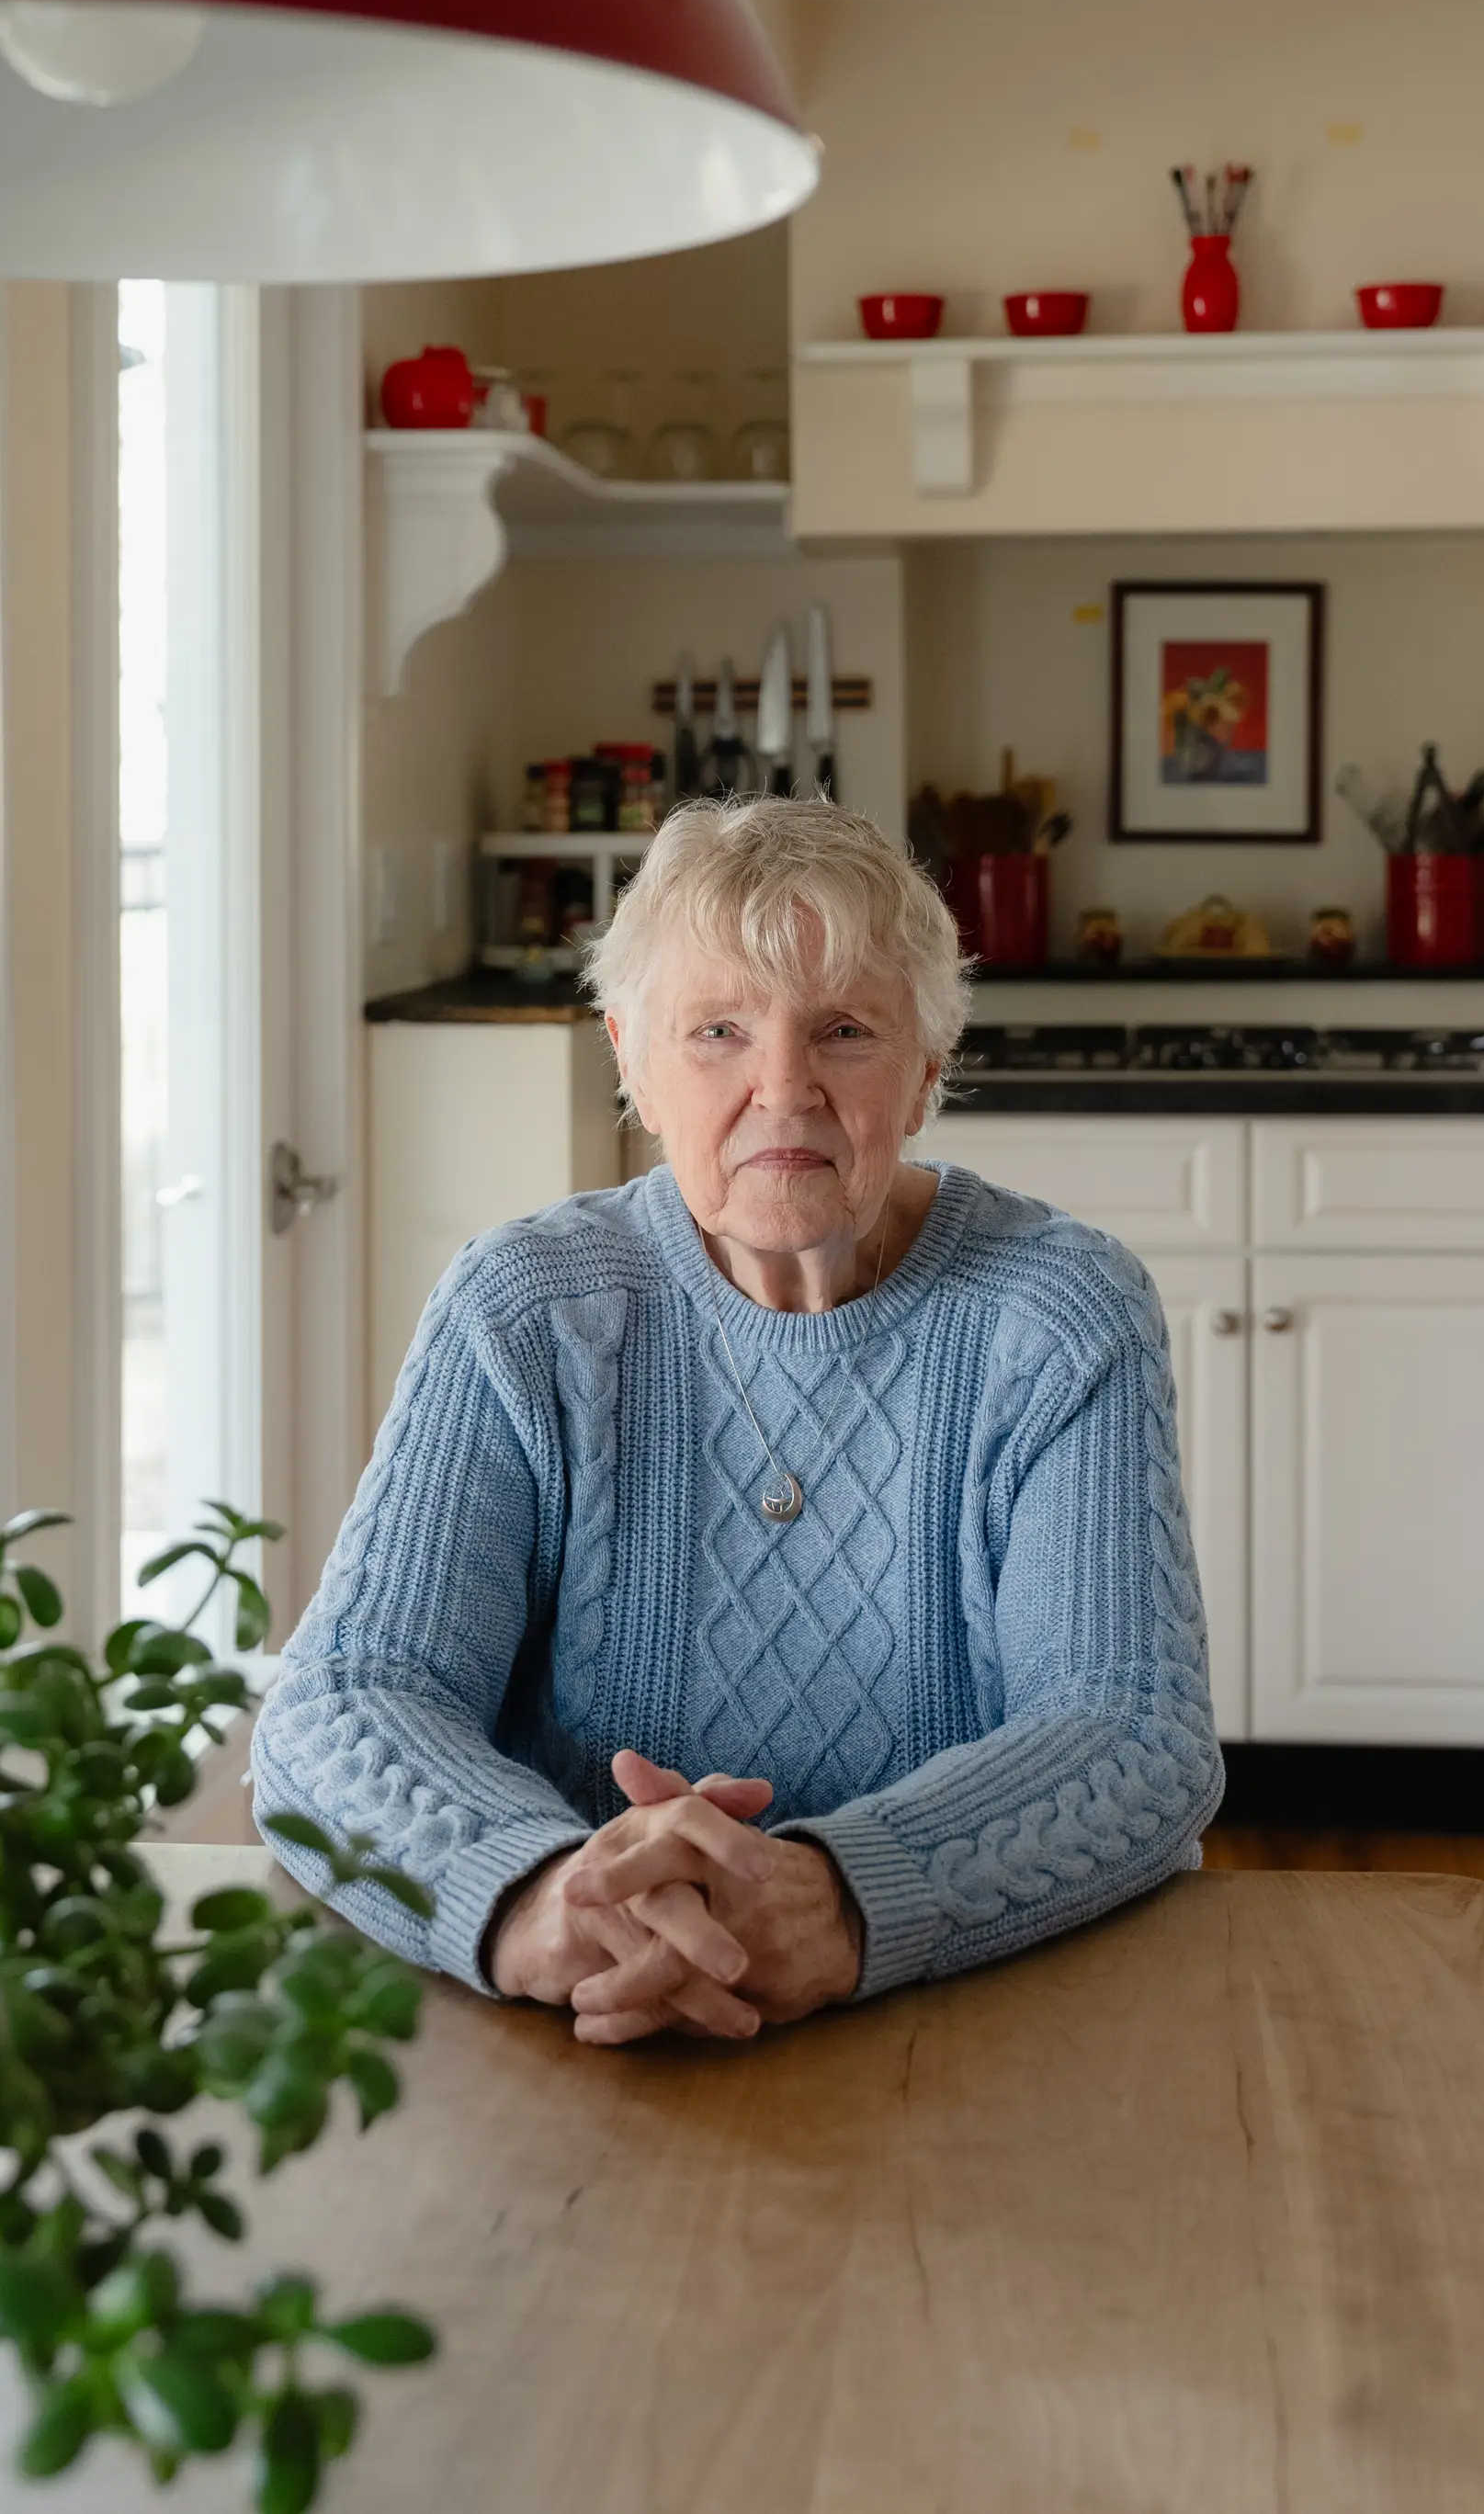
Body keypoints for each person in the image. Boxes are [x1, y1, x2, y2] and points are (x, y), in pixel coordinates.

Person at [253, 798, 1221, 2046]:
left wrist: (842, 1900)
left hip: (984, 2021)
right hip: (586, 2026)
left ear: (927, 1069)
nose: (784, 1088)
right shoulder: (525, 1310)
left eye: (845, 1031)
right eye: (718, 1031)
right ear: (633, 1065)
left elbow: (1130, 1731)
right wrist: (545, 1897)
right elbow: (346, 1700)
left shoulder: (1060, 1311)